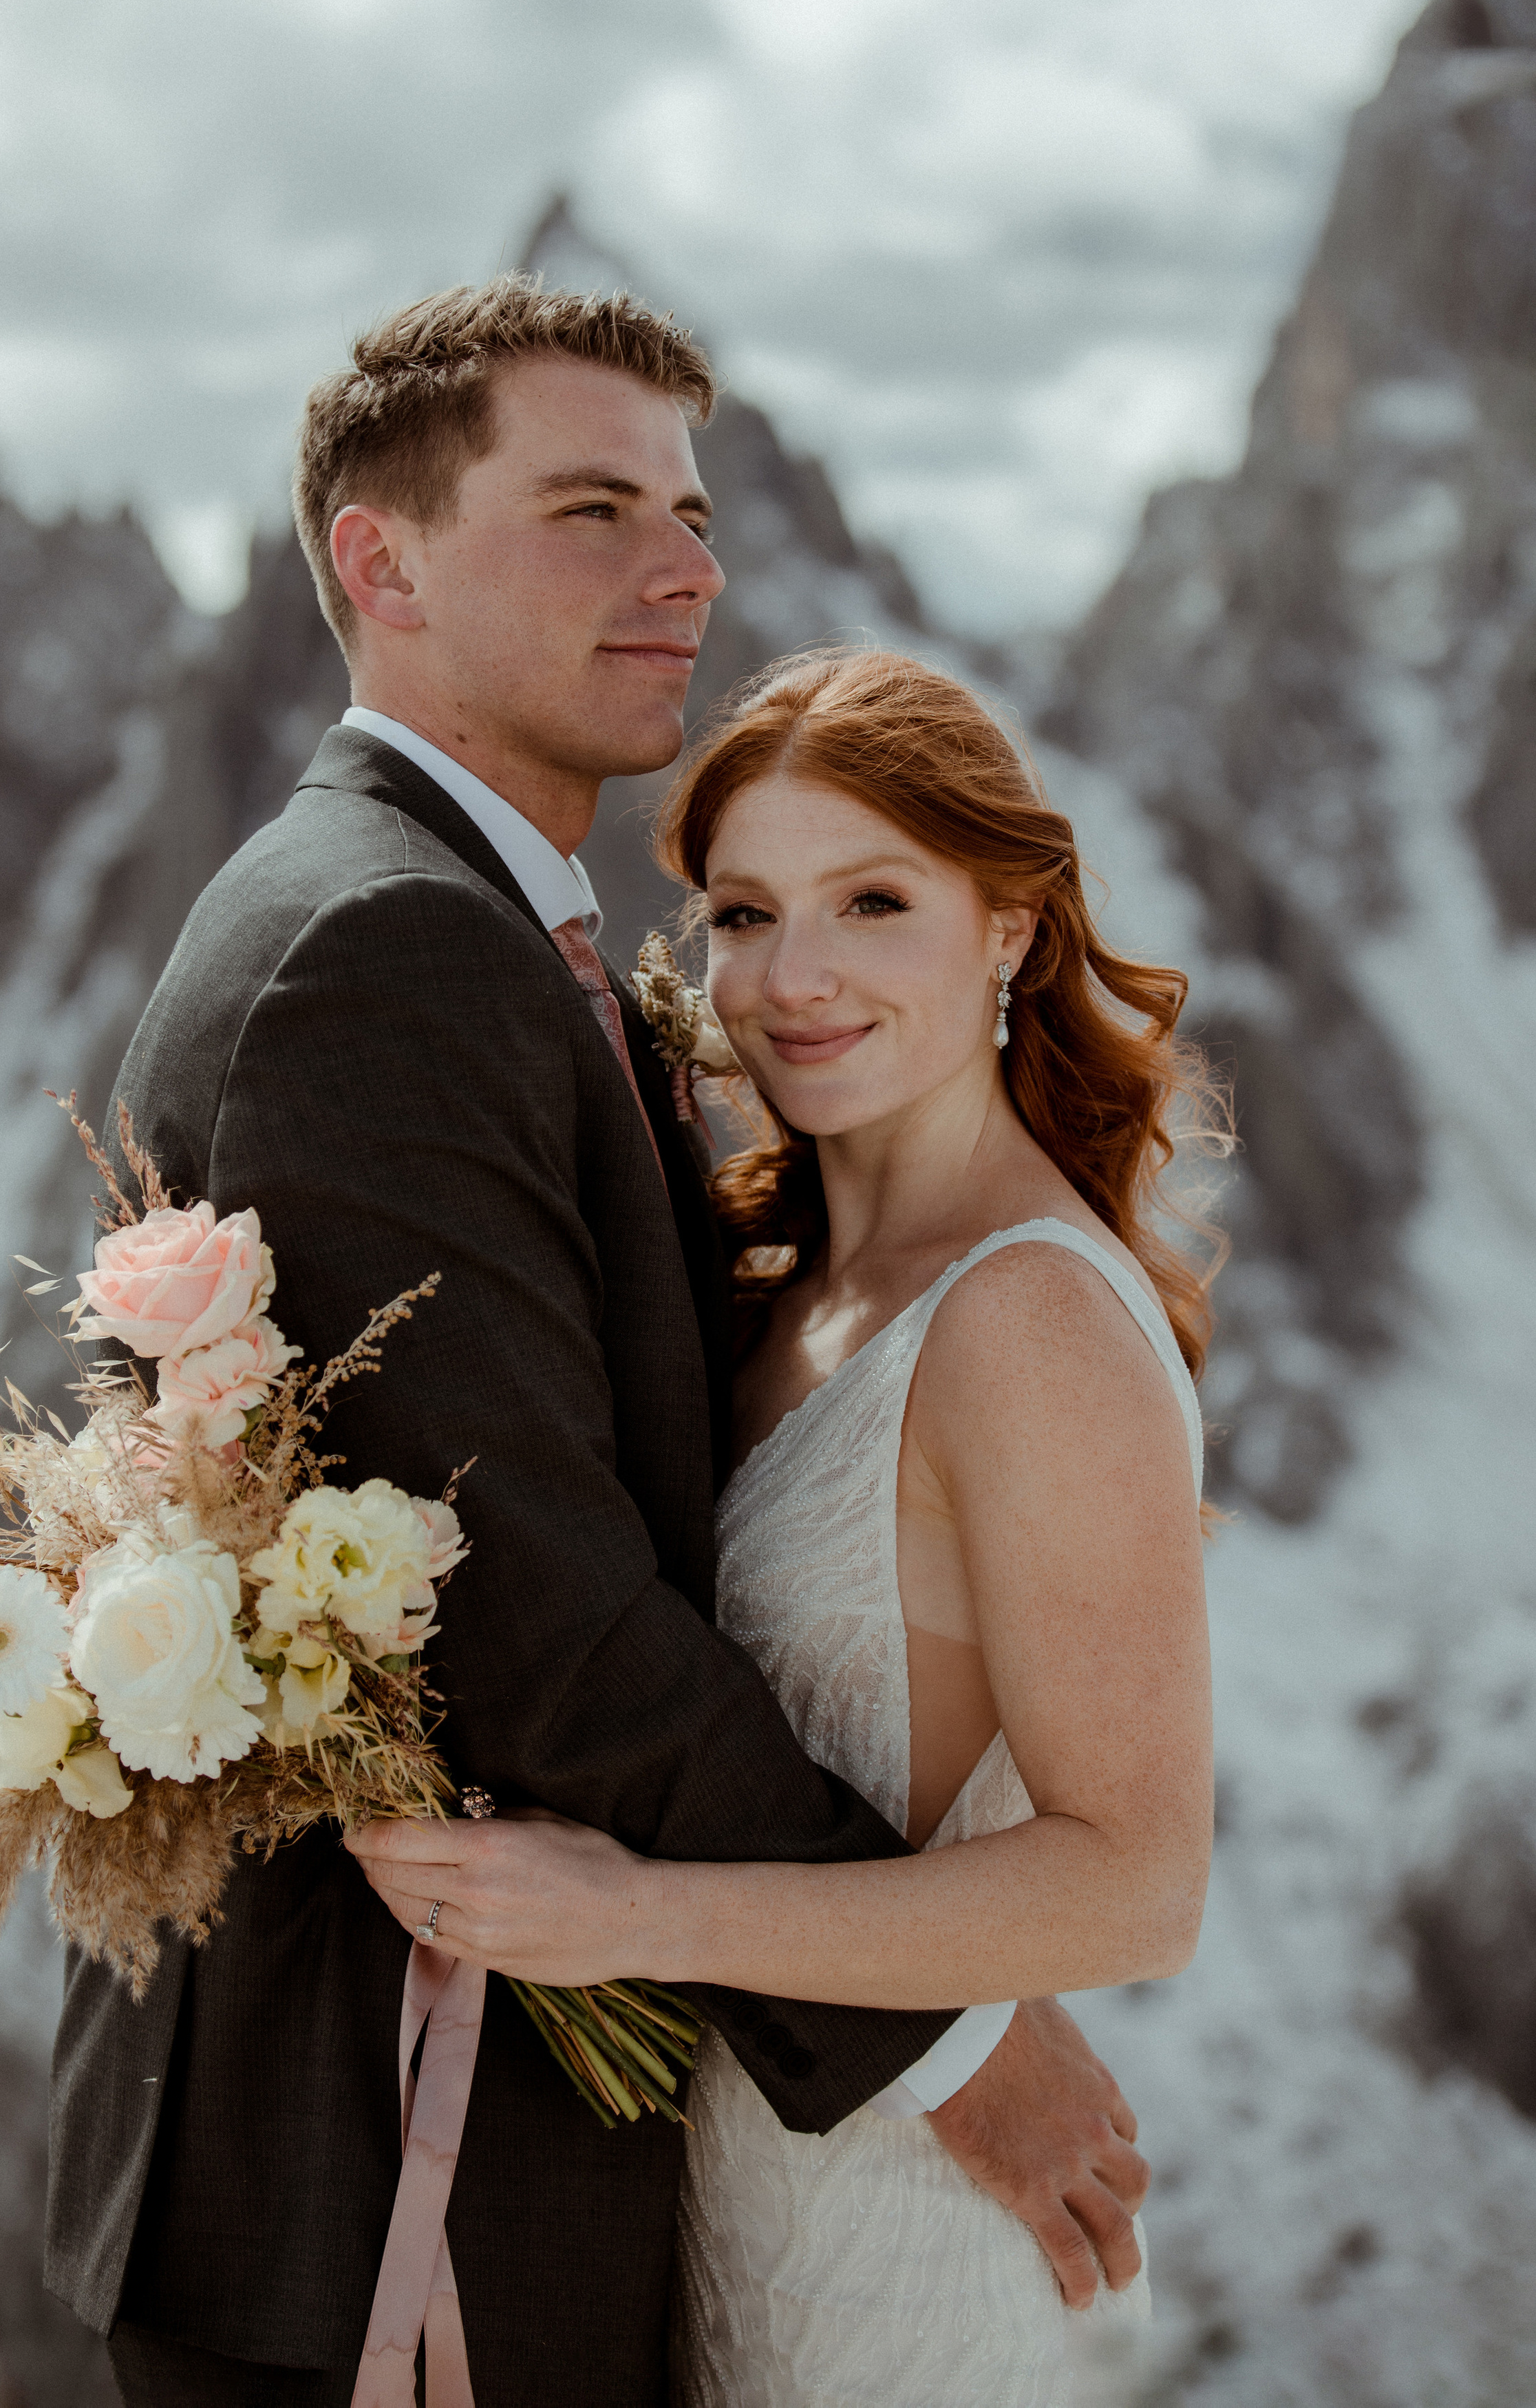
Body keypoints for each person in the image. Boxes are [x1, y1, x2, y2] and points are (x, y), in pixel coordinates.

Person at [44, 283, 1152, 2408]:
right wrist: (945, 2030)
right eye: (592, 509)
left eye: (693, 511)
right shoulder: (384, 944)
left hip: (488, 2145)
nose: (689, 570)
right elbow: (531, 1603)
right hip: (379, 2175)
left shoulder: (480, 928)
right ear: (382, 563)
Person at [351, 647, 1219, 2405]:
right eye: (743, 912)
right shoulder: (773, 1284)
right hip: (737, 2192)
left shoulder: (1028, 1321)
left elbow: (1135, 1886)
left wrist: (633, 1915)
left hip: (910, 2261)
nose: (793, 978)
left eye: (872, 901)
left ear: (1011, 931)